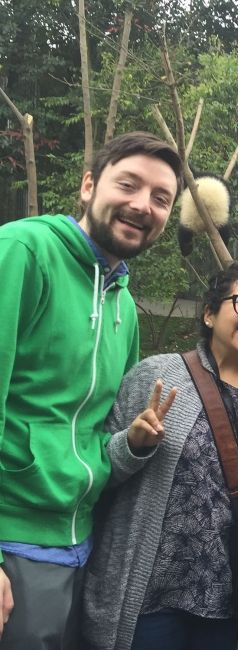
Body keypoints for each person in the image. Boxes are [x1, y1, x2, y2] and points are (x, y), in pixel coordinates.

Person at [0, 131, 183, 649]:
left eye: (161, 198)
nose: (142, 205)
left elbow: (97, 432)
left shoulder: (124, 303)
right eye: (129, 184)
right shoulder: (23, 252)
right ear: (88, 186)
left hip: (82, 544)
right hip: (14, 541)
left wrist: (132, 444)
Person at [80, 263, 238, 650]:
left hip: (234, 588)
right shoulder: (158, 375)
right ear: (209, 314)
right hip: (154, 591)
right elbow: (98, 468)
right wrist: (133, 445)